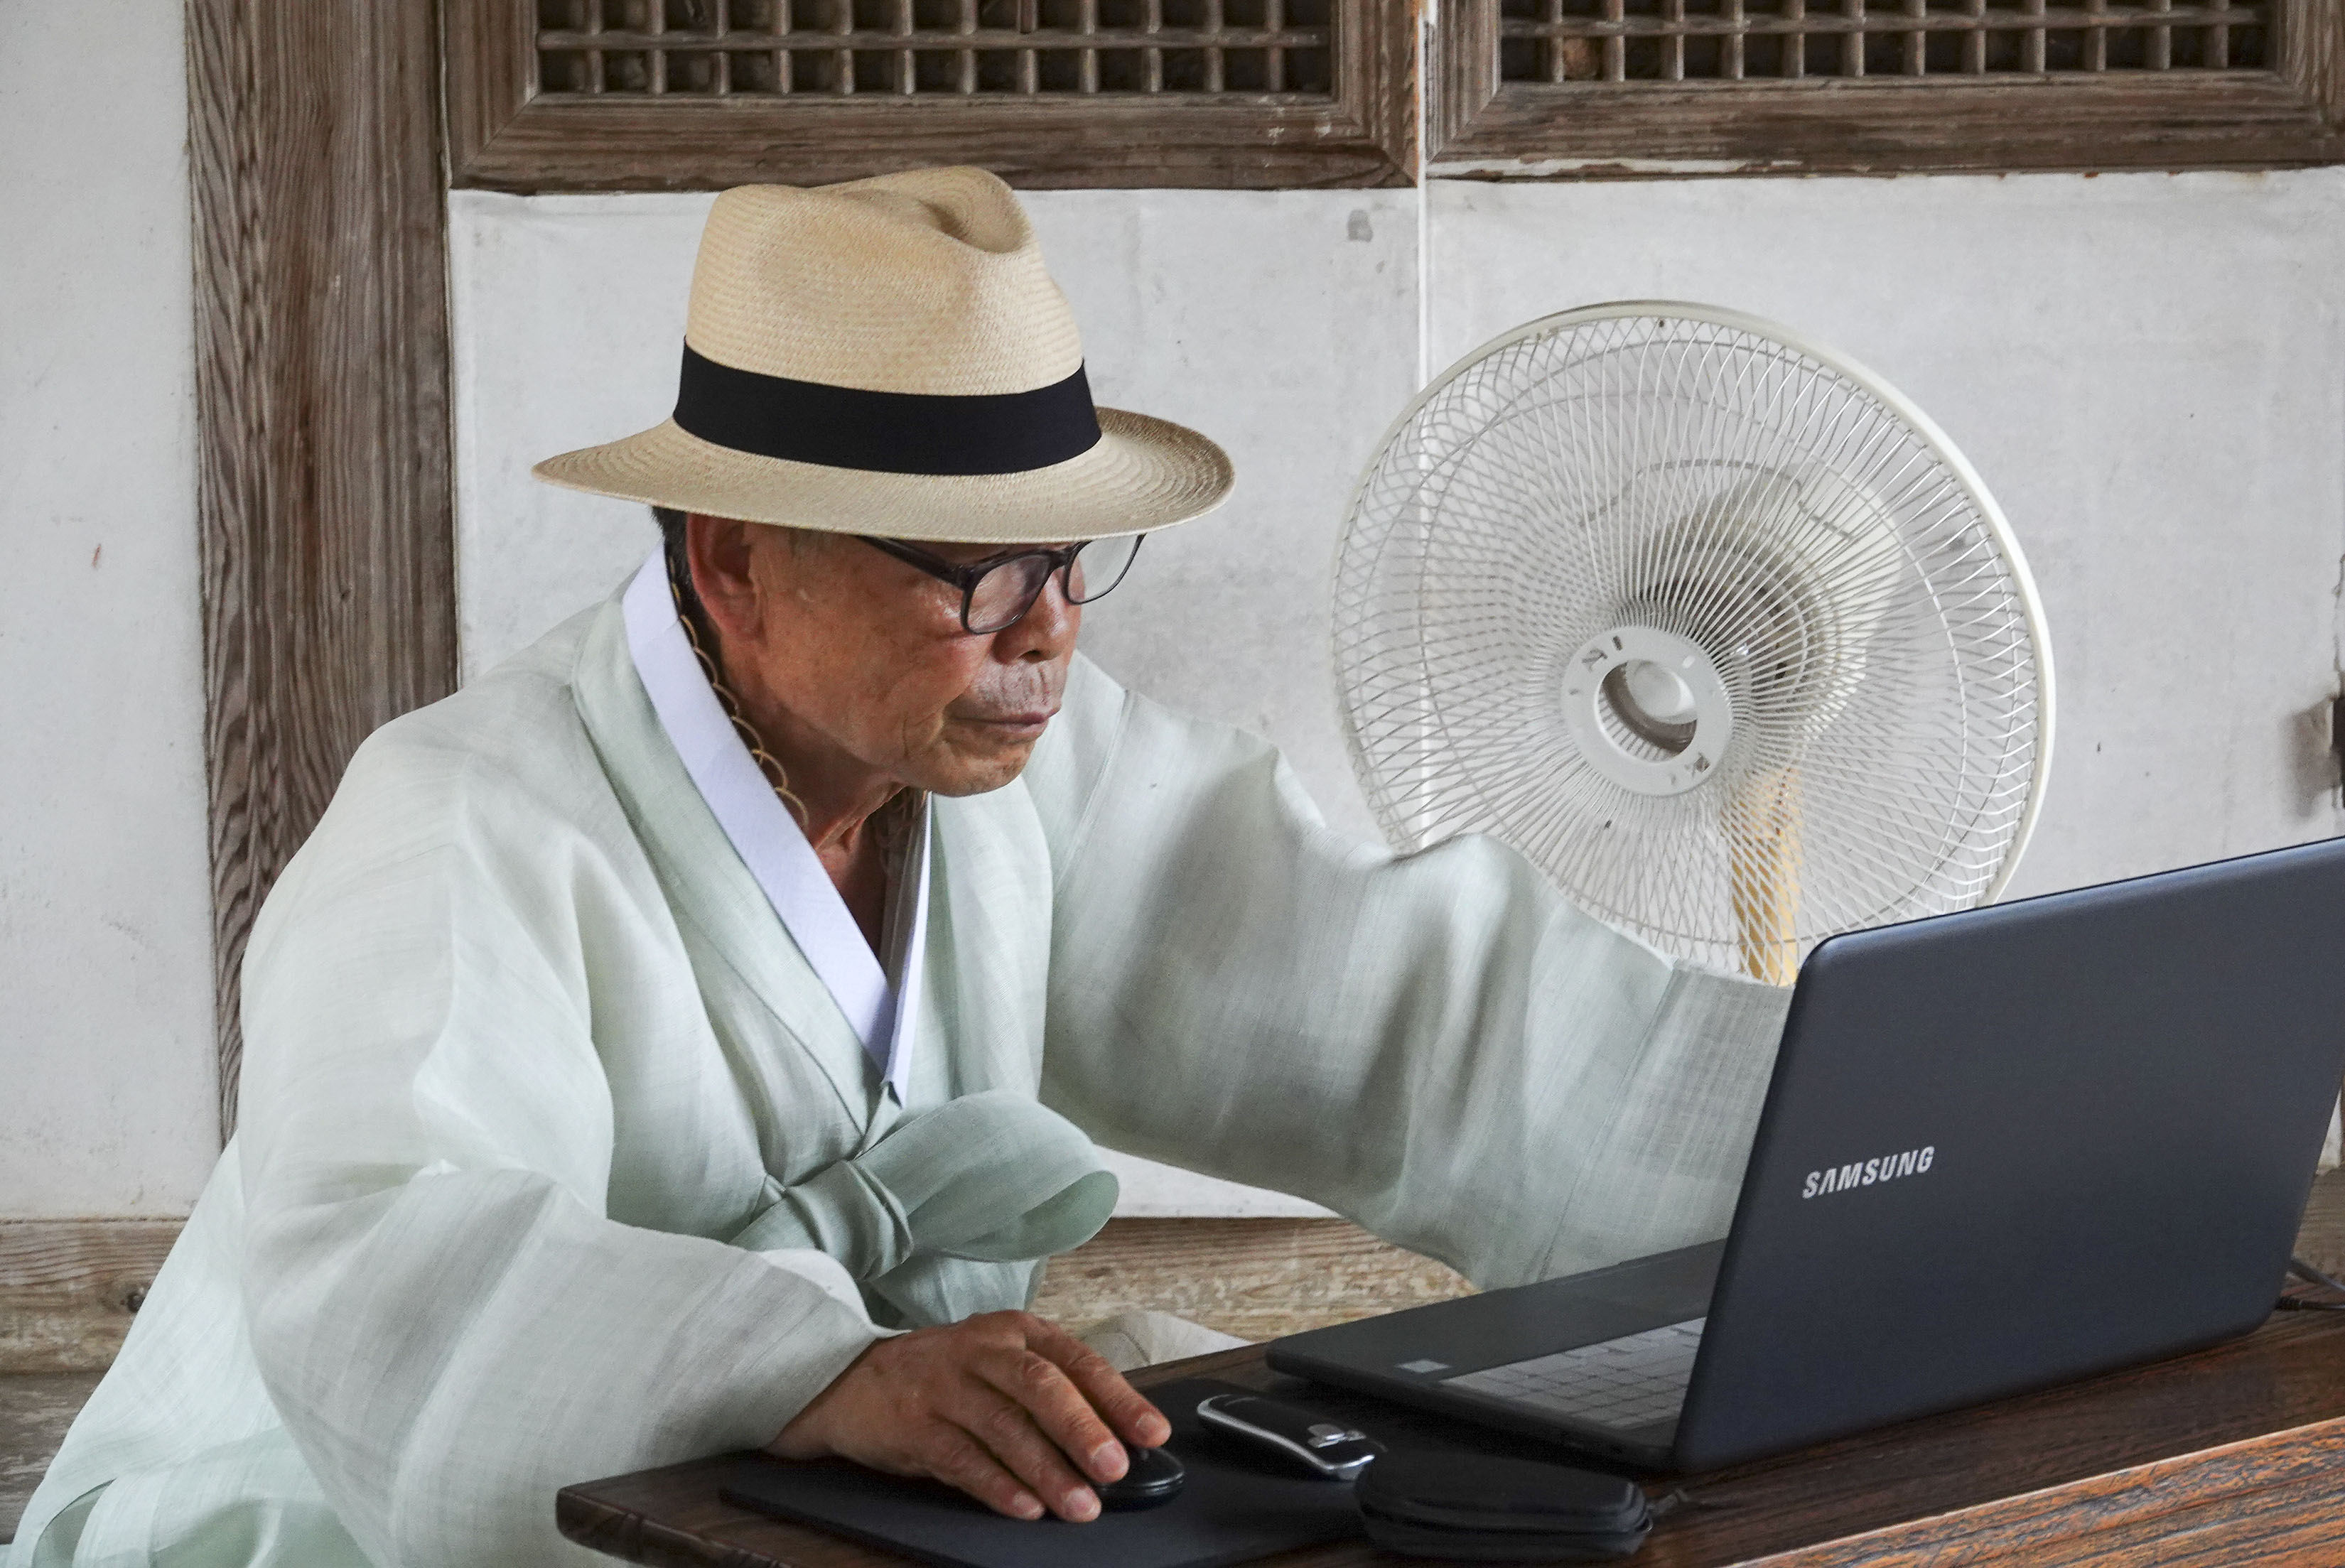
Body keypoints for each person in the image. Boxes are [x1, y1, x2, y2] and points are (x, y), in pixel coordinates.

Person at [11, 168, 1789, 1567]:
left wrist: (1825, 1151)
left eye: (1072, 562)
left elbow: (1406, 1017)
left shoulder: (1015, 766)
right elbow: (398, 1263)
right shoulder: (461, 821)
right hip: (322, 1531)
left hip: (798, 1524)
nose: (1049, 635)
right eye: (974, 574)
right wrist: (811, 1369)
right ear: (735, 563)